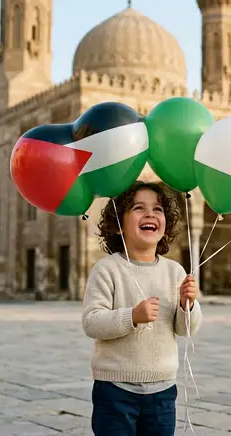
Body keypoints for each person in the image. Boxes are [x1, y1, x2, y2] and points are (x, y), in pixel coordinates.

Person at [82, 181, 202, 436]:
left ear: (166, 223)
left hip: (162, 392)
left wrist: (187, 305)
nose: (150, 214)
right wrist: (132, 316)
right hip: (115, 390)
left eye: (158, 209)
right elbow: (92, 322)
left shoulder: (174, 271)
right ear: (118, 223)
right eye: (139, 208)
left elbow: (185, 329)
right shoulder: (108, 269)